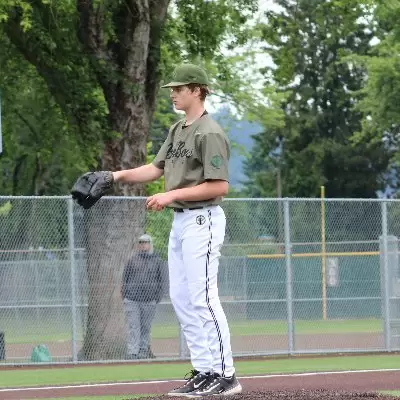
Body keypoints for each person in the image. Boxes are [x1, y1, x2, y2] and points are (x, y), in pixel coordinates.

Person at [72, 63, 241, 397]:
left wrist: (171, 194)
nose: (173, 94)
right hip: (182, 222)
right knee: (181, 298)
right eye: (172, 89)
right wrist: (114, 176)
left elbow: (219, 185)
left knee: (204, 298)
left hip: (203, 219)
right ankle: (205, 371)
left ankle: (226, 375)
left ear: (197, 90)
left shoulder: (209, 132)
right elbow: (154, 169)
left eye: (178, 88)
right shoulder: (178, 130)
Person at [121, 233, 168, 360]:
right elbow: (125, 279)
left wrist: (156, 297)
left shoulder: (157, 261)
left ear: (150, 244)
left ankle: (143, 350)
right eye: (141, 243)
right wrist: (125, 295)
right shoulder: (132, 260)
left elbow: (162, 280)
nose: (143, 245)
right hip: (132, 299)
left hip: (149, 300)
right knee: (133, 326)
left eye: (145, 242)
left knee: (146, 327)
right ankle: (133, 352)